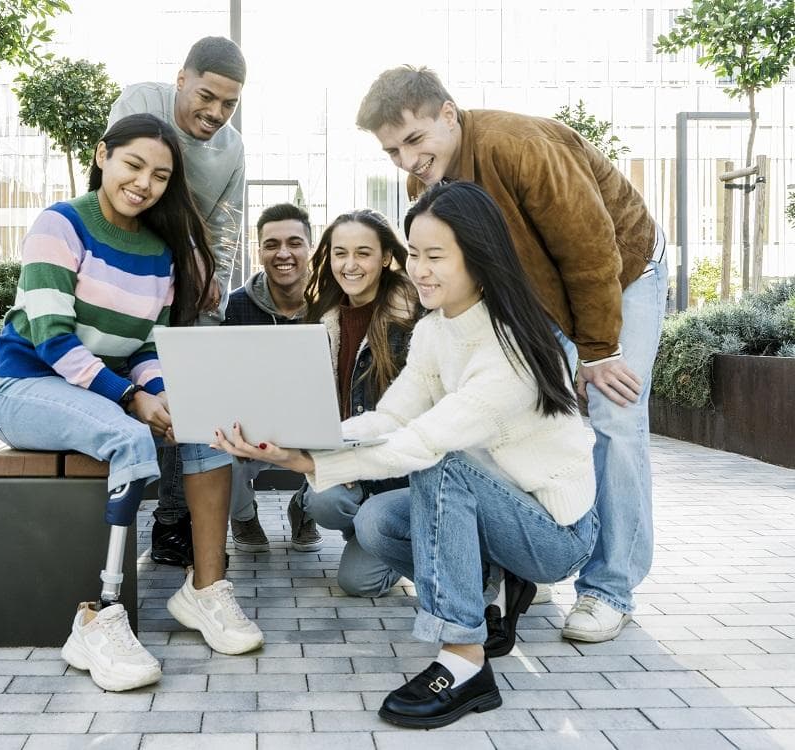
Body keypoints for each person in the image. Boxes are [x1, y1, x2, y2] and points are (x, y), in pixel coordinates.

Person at [214, 181, 598, 729]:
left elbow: (421, 442)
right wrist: (296, 439)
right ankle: (486, 588)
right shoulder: (436, 330)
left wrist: (311, 464)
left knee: (441, 464)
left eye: (435, 256)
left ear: (481, 258)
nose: (419, 269)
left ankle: (464, 661)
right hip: (498, 506)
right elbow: (390, 418)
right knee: (375, 523)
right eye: (415, 253)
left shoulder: (508, 345)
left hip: (554, 531)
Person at [356, 65, 669, 644]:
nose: (406, 160)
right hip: (539, 296)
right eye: (392, 150)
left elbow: (590, 248)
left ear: (448, 114)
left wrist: (598, 351)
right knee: (519, 411)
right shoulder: (427, 187)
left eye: (415, 140)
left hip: (622, 270)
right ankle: (527, 553)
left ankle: (609, 590)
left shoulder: (518, 146)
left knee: (613, 415)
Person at [0, 114, 263, 694]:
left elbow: (144, 347)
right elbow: (51, 337)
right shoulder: (59, 225)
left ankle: (205, 590)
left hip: (101, 391)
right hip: (25, 387)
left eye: (160, 176)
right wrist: (131, 400)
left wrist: (162, 396)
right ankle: (98, 615)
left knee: (201, 421)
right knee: (129, 436)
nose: (144, 183)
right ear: (102, 155)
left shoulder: (159, 251)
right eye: (133, 165)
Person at [107, 36, 247, 568]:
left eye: (229, 103)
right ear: (181, 78)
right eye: (206, 95)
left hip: (190, 294)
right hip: (131, 275)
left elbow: (226, 230)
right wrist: (187, 253)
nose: (214, 112)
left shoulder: (232, 149)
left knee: (187, 402)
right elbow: (126, 192)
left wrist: (211, 292)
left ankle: (172, 523)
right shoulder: (141, 103)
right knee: (132, 391)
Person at [294, 208, 420, 595]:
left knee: (358, 583)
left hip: (403, 475)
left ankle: (394, 532)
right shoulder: (320, 318)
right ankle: (369, 528)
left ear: (385, 258)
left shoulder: (413, 319)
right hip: (351, 468)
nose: (350, 265)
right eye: (339, 253)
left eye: (363, 253)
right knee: (323, 501)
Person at [220, 203, 316, 554]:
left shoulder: (332, 304)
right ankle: (243, 514)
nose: (283, 253)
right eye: (272, 244)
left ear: (310, 247)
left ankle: (304, 508)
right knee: (216, 452)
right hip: (251, 422)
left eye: (294, 242)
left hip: (314, 421)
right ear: (258, 251)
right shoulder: (232, 308)